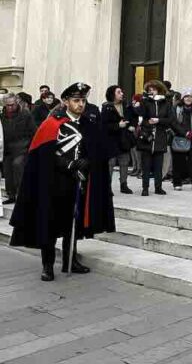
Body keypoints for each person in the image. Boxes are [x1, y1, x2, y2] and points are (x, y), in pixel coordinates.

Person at [9, 82, 115, 281]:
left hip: (78, 182)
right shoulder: (52, 123)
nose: (80, 104)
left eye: (83, 100)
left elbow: (98, 152)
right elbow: (43, 155)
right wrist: (68, 164)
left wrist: (88, 161)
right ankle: (47, 266)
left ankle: (70, 261)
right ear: (66, 101)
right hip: (54, 183)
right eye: (76, 100)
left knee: (72, 223)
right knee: (48, 223)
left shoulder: (88, 124)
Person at [135, 80, 172, 196]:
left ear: (159, 90)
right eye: (149, 90)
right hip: (147, 137)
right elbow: (141, 118)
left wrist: (158, 120)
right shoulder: (146, 102)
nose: (152, 92)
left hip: (160, 137)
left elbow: (170, 119)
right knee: (145, 165)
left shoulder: (166, 103)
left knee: (158, 165)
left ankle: (158, 187)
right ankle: (145, 188)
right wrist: (141, 103)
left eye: (154, 89)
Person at [1, 93, 36, 205]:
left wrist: (30, 148)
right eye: (8, 105)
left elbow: (34, 132)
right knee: (7, 171)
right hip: (7, 148)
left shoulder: (25, 114)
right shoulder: (2, 116)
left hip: (22, 147)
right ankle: (11, 195)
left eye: (12, 105)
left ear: (17, 103)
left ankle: (21, 195)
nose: (10, 107)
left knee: (17, 166)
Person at [101, 85, 137, 195]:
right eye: (119, 92)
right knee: (111, 163)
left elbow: (134, 117)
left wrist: (132, 125)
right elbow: (103, 125)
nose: (122, 94)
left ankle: (124, 185)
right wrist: (118, 125)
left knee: (125, 161)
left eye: (121, 92)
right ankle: (107, 187)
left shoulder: (127, 106)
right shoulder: (107, 107)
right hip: (111, 140)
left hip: (124, 139)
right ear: (112, 94)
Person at [170, 88, 192, 191]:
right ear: (183, 98)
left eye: (191, 97)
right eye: (186, 97)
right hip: (180, 138)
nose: (189, 99)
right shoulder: (176, 108)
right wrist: (185, 133)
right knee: (178, 162)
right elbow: (174, 123)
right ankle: (177, 183)